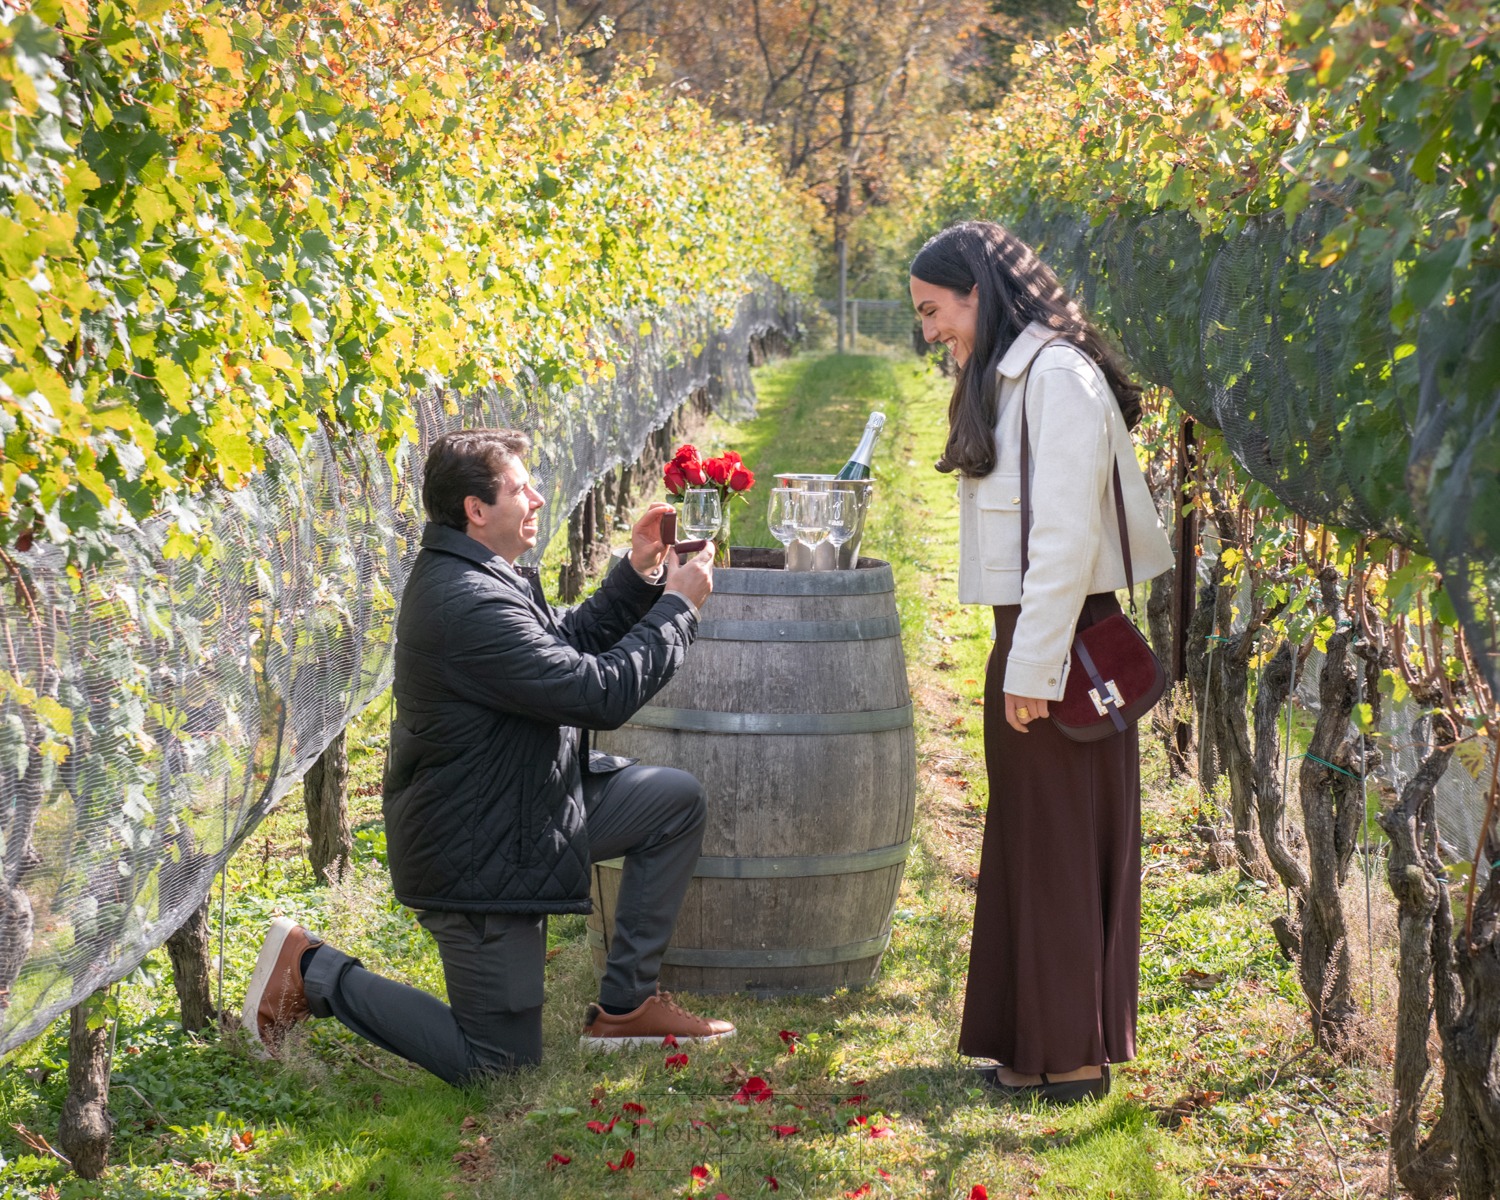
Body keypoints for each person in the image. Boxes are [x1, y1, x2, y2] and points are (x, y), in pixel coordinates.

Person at [241, 428, 734, 1085]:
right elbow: (595, 693)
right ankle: (313, 971)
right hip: (478, 845)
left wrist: (637, 571)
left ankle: (625, 1007)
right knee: (499, 1068)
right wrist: (676, 607)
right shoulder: (465, 603)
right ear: (476, 510)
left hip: (528, 805)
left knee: (671, 803)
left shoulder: (482, 574)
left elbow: (564, 646)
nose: (536, 497)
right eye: (519, 488)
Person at [910, 222, 1174, 1103]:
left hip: (1059, 640)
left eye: (934, 311)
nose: (929, 331)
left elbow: (1060, 538)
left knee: (1060, 842)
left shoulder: (1056, 378)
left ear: (979, 292)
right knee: (1036, 838)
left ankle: (1071, 1057)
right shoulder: (1018, 374)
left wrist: (1033, 664)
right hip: (1037, 634)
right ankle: (1035, 1045)